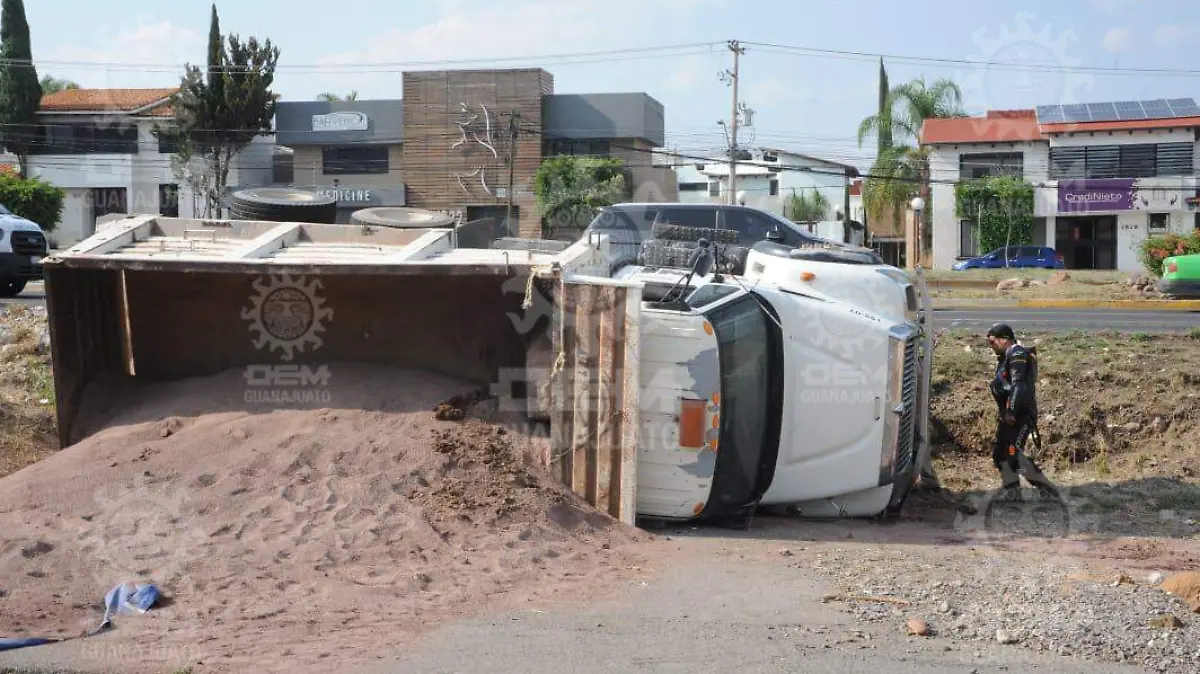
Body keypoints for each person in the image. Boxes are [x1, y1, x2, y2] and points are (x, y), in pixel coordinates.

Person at [986, 323, 1059, 500]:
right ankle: (1013, 492)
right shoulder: (1007, 356)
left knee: (1013, 454)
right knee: (1000, 455)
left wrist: (1011, 411)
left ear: (1004, 339)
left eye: (993, 342)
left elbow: (1018, 385)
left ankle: (1046, 489)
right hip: (1009, 415)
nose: (991, 346)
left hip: (1020, 415)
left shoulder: (1017, 354)